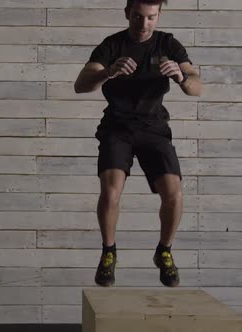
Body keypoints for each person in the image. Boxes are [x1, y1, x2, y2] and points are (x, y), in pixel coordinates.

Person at [73, 0, 202, 287]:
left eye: (150, 17)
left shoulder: (168, 44)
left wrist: (181, 77)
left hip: (154, 128)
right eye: (137, 16)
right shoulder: (111, 46)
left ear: (158, 16)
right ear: (127, 14)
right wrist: (107, 72)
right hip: (117, 128)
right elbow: (80, 84)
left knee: (174, 193)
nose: (144, 24)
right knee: (111, 191)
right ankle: (109, 252)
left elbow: (196, 86)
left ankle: (164, 251)